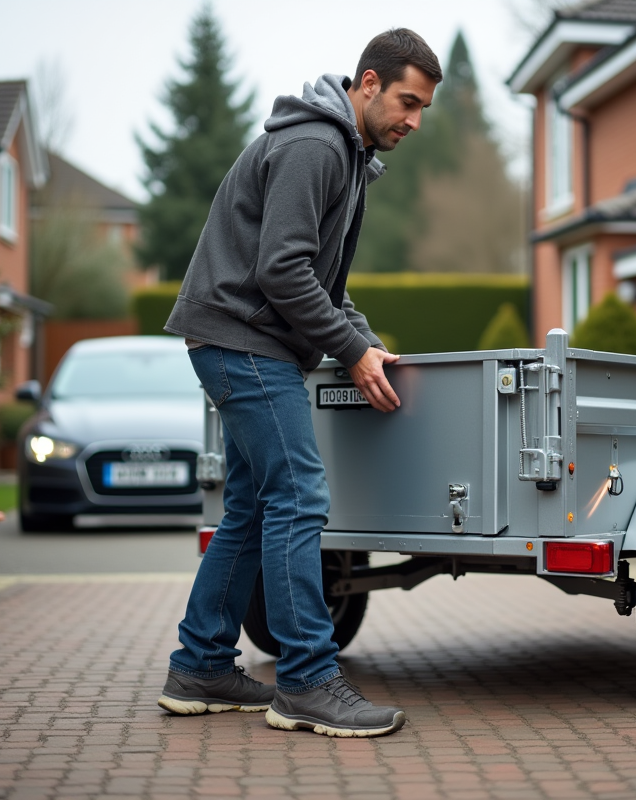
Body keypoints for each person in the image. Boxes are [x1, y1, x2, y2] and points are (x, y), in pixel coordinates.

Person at [156, 29, 441, 738]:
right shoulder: (317, 147)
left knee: (254, 505)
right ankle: (309, 681)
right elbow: (283, 273)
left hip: (239, 339)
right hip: (243, 339)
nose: (413, 119)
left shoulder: (343, 155)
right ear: (367, 83)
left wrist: (365, 343)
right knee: (298, 494)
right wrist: (349, 350)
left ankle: (201, 663)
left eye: (424, 108)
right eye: (407, 101)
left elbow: (317, 282)